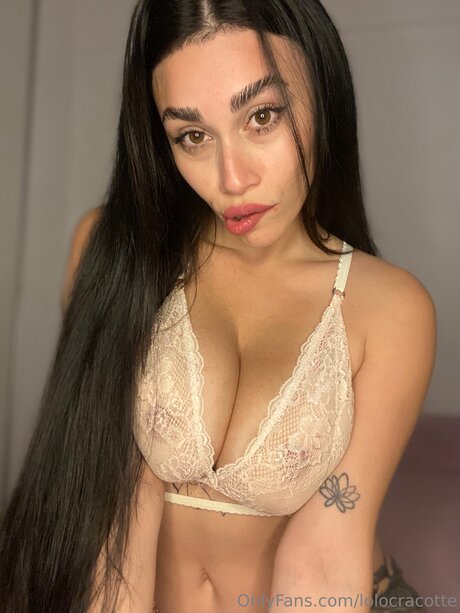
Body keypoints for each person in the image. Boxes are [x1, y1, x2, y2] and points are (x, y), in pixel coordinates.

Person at [0, 1, 436, 612]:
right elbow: (109, 507)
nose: (232, 179)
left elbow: (323, 557)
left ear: (321, 89)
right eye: (193, 136)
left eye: (262, 116)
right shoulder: (118, 260)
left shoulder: (389, 308)